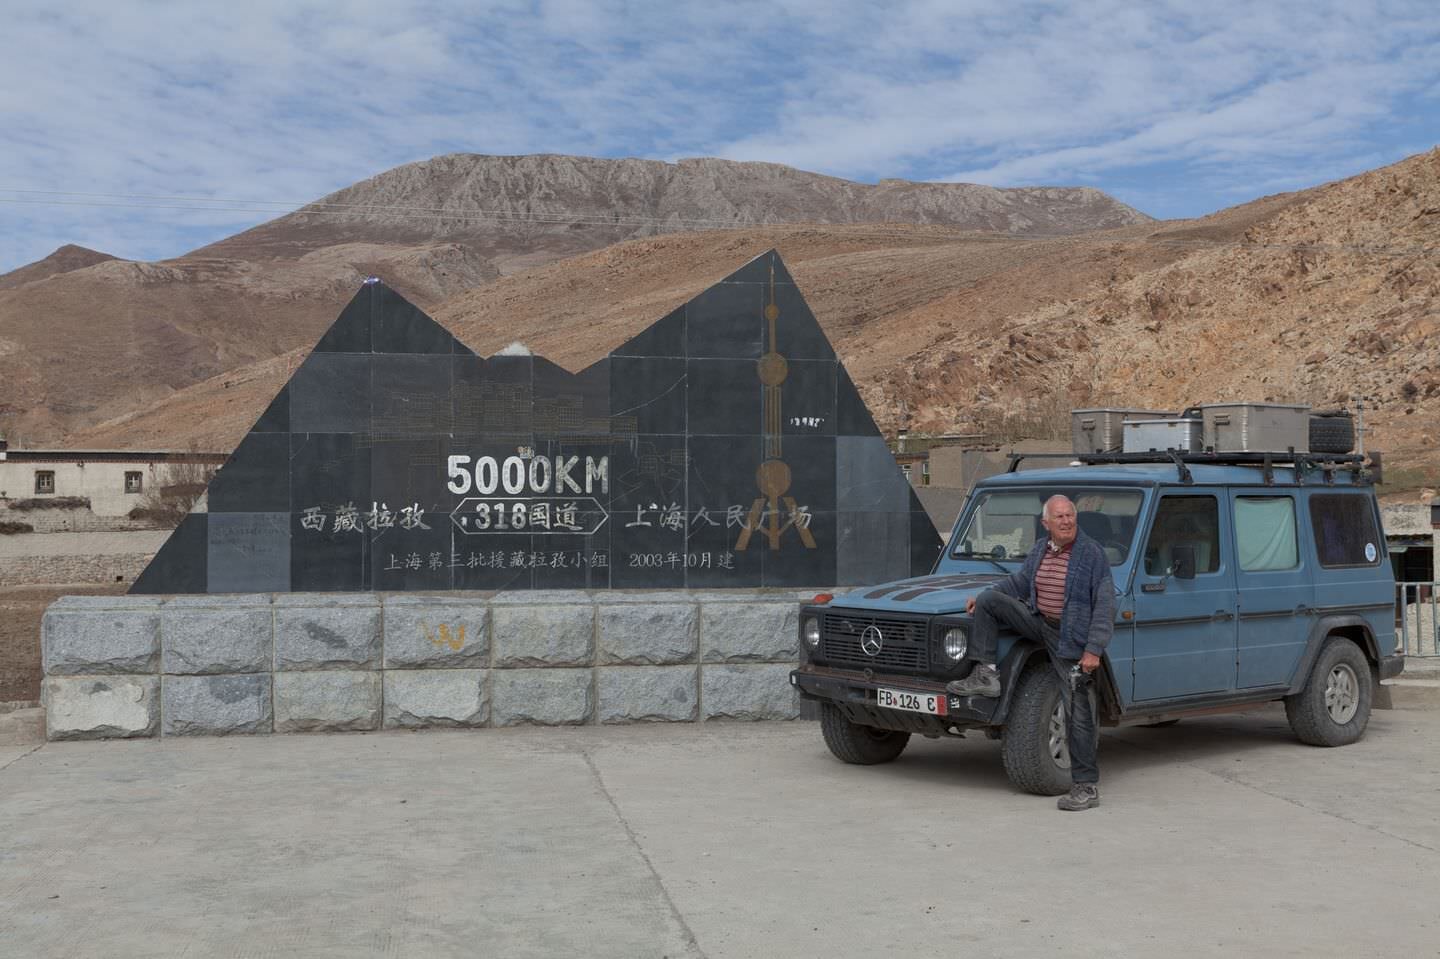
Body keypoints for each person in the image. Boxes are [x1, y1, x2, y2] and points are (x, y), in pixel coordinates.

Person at [947, 494, 1115, 811]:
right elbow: (1021, 583)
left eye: (1070, 516)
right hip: (1040, 623)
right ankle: (987, 674)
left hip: (1071, 638)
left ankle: (1085, 786)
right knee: (988, 602)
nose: (1066, 522)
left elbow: (1105, 604)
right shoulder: (1041, 549)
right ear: (1046, 523)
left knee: (1076, 709)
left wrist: (1093, 649)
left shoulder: (1091, 554)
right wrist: (986, 595)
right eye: (1060, 517)